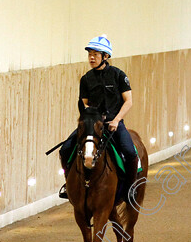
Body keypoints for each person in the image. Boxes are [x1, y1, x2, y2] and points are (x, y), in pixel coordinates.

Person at [59, 36, 138, 199]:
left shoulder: (118, 75)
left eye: (95, 54)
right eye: (90, 55)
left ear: (106, 56)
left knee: (130, 152)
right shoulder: (86, 79)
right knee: (65, 149)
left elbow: (128, 101)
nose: (91, 58)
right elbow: (84, 103)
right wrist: (91, 118)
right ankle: (69, 184)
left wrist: (116, 120)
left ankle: (131, 188)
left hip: (114, 123)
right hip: (93, 125)